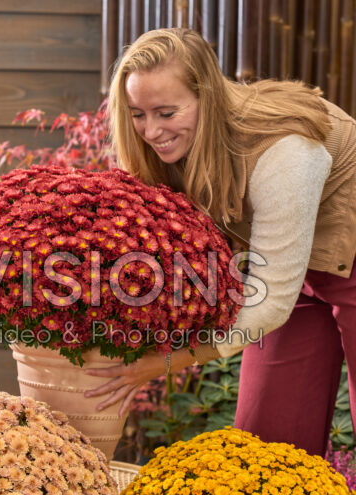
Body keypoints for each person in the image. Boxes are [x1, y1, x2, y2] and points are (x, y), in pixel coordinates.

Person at [83, 28, 356, 457]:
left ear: (206, 96)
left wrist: (164, 361)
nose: (151, 131)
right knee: (266, 442)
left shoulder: (284, 151)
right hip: (290, 270)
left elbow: (269, 305)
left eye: (166, 113)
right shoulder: (174, 147)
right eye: (138, 114)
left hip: (348, 258)